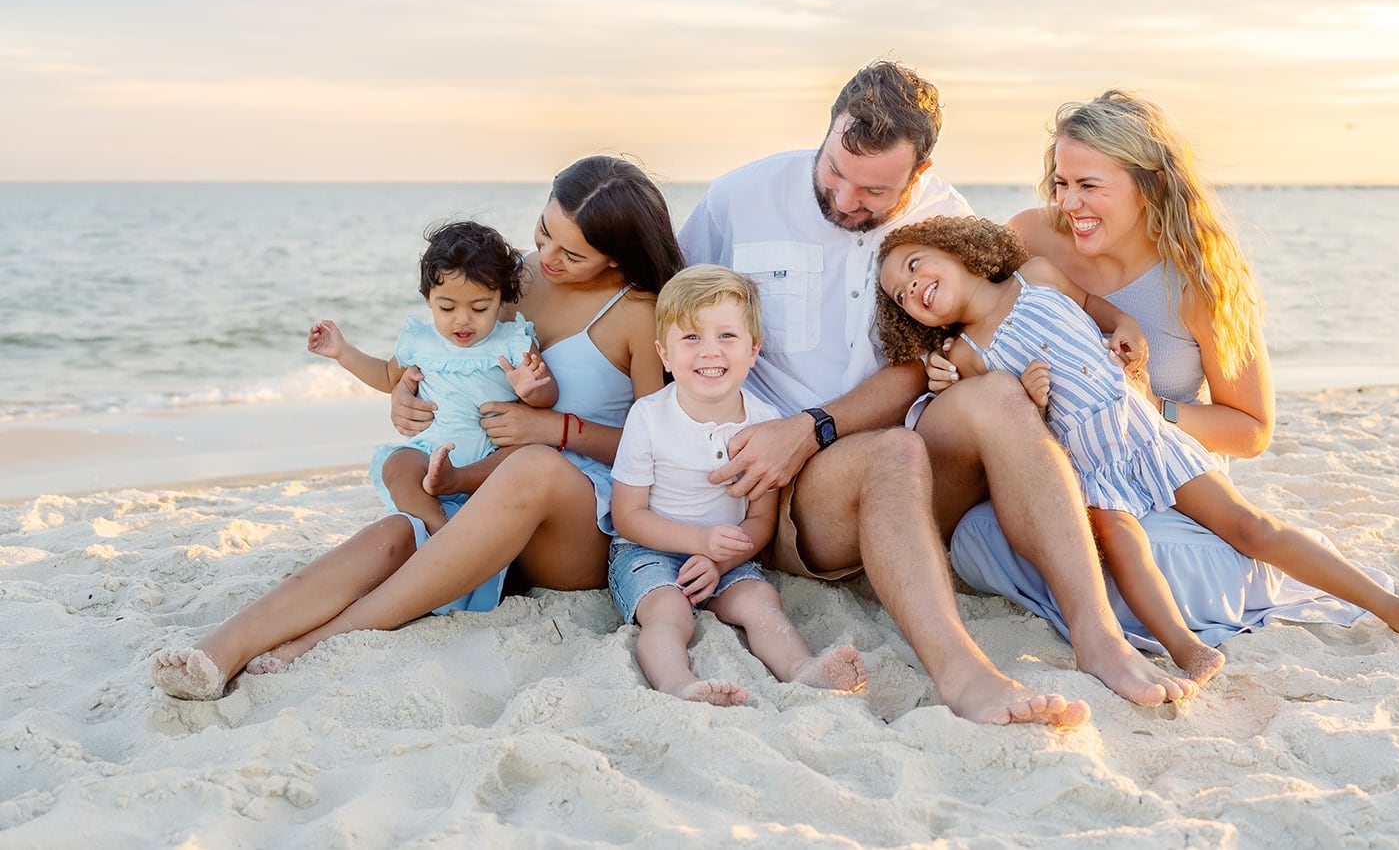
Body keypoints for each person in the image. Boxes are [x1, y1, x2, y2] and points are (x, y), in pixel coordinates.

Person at [678, 60, 1195, 728]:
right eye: (836, 170)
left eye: (873, 189)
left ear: (918, 174)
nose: (844, 197)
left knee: (997, 397)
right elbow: (668, 313)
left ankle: (1099, 637)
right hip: (789, 490)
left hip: (898, 457)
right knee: (892, 451)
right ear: (829, 130)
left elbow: (934, 356)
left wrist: (815, 423)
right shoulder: (739, 198)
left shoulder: (944, 217)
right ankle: (965, 674)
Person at [151, 156, 682, 701]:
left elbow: (661, 446)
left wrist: (554, 428)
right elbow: (452, 363)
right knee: (391, 535)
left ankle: (322, 638)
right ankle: (220, 650)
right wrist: (407, 397)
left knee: (534, 465)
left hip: (572, 529)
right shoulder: (511, 276)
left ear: (615, 255)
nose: (544, 257)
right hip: (475, 497)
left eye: (570, 253)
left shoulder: (640, 311)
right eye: (544, 232)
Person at [948, 90, 1399, 649]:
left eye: (1090, 186)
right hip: (1072, 470)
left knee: (1156, 558)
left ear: (1148, 184)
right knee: (976, 536)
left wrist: (1154, 408)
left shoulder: (1203, 280)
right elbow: (977, 326)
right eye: (1062, 182)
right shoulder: (1030, 238)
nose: (1070, 203)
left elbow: (1251, 429)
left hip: (1166, 478)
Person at [879, 216, 1399, 683]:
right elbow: (1003, 433)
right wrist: (1017, 394)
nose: (912, 289)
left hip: (1144, 431)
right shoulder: (965, 355)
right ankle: (1183, 649)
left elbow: (1099, 310)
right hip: (1083, 461)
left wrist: (1130, 331)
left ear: (954, 248)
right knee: (1125, 547)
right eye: (901, 296)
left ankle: (1389, 607)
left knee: (1251, 527)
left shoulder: (1038, 274)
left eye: (913, 265)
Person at [609, 264, 867, 705]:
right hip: (646, 550)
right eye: (691, 338)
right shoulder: (649, 417)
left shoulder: (765, 425)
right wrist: (700, 540)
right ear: (664, 355)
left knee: (761, 601)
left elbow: (760, 520)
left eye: (726, 337)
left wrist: (718, 560)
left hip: (728, 553)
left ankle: (801, 669)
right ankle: (677, 682)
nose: (710, 351)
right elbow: (626, 516)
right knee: (669, 614)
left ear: (753, 350)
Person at [304, 220, 557, 614]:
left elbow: (547, 398)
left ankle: (449, 545)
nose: (462, 320)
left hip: (491, 465)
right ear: (428, 298)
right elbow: (388, 377)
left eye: (479, 308)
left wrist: (532, 389)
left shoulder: (513, 340)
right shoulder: (419, 342)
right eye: (446, 307)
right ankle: (442, 533)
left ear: (501, 299)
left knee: (522, 457)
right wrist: (343, 352)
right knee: (397, 462)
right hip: (429, 460)